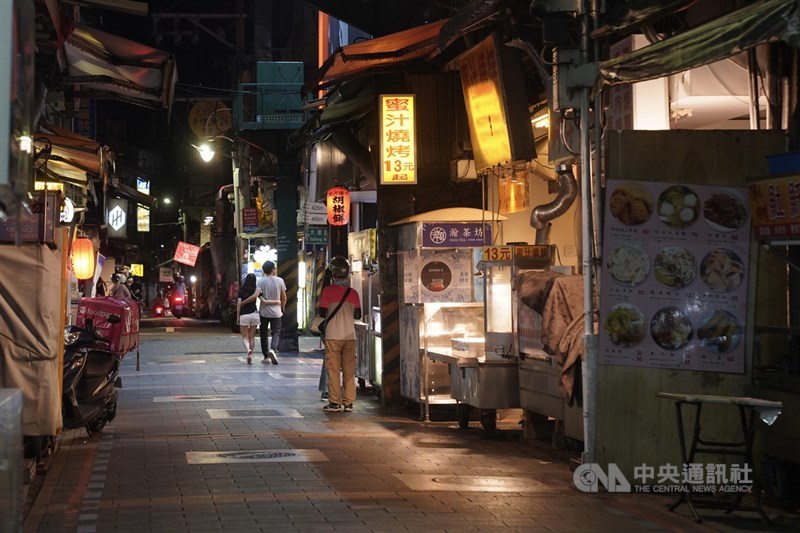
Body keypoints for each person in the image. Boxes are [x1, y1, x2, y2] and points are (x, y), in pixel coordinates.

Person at [317, 256, 361, 413]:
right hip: (350, 336)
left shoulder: (327, 292)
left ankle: (335, 402)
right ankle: (349, 403)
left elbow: (322, 313)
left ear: (332, 274)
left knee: (333, 369)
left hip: (332, 336)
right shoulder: (353, 293)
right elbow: (357, 315)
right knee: (349, 370)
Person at [253, 261, 286, 364]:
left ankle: (266, 356)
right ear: (273, 269)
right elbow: (284, 297)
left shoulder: (260, 281)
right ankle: (273, 349)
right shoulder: (280, 280)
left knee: (263, 333)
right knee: (276, 332)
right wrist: (283, 306)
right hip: (277, 311)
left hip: (264, 312)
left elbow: (257, 294)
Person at [236, 273, 259, 364]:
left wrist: (238, 316)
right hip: (254, 314)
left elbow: (238, 304)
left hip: (244, 315)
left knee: (245, 336)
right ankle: (251, 354)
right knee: (252, 337)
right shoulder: (256, 289)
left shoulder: (242, 290)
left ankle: (248, 350)